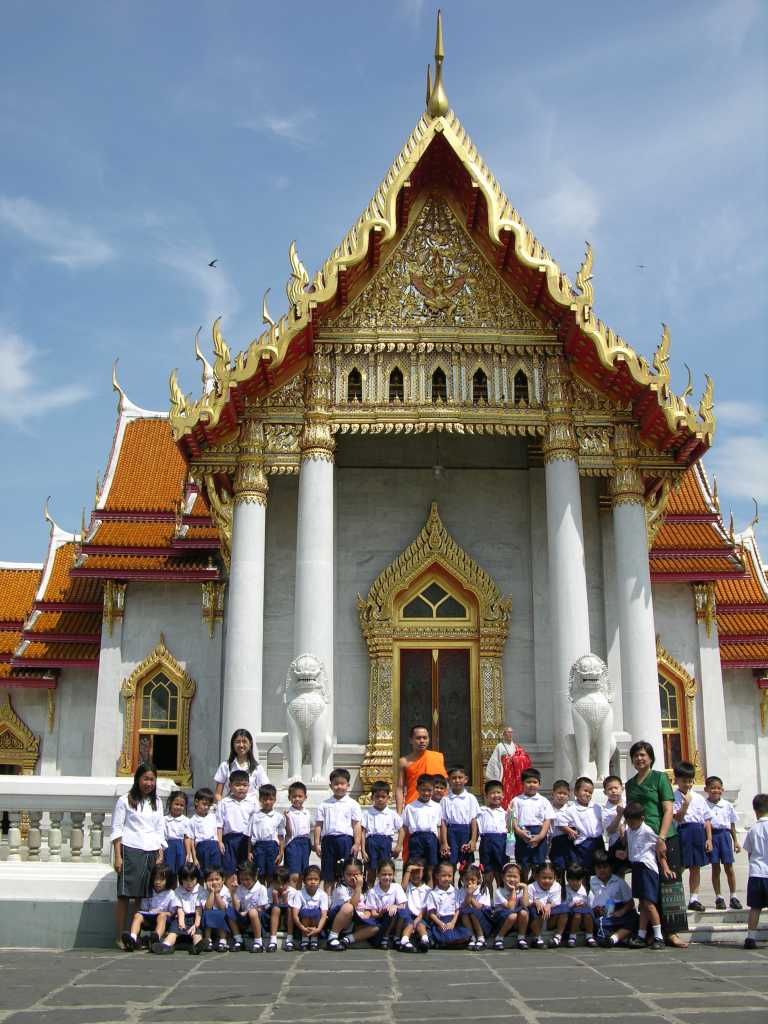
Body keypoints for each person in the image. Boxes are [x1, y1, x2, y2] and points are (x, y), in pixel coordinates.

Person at [624, 740, 687, 947]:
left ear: (650, 757)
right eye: (636, 755)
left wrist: (661, 837)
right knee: (647, 889)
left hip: (664, 836)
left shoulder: (660, 778)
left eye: (643, 755)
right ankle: (650, 932)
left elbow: (668, 809)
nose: (639, 758)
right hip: (642, 841)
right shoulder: (630, 784)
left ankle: (672, 931)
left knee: (670, 884)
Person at [112, 762, 166, 948]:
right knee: (125, 895)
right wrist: (118, 856)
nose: (148, 783)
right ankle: (120, 936)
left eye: (152, 779)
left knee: (141, 897)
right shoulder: (125, 800)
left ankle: (134, 936)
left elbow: (160, 829)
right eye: (145, 779)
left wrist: (160, 851)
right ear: (138, 779)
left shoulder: (157, 801)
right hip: (130, 849)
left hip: (151, 850)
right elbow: (117, 830)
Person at [624, 801, 673, 950]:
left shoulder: (647, 831)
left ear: (642, 818)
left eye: (634, 821)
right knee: (643, 904)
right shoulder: (629, 830)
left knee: (649, 904)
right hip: (636, 867)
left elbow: (660, 849)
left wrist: (665, 866)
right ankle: (641, 934)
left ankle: (658, 936)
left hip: (647, 868)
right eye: (629, 821)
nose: (631, 824)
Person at [313, 768, 363, 894]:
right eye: (336, 784)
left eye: (342, 784)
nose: (339, 787)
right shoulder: (324, 804)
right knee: (328, 874)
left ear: (348, 785)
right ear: (331, 785)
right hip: (328, 841)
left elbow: (356, 825)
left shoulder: (353, 804)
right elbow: (318, 825)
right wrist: (317, 843)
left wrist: (357, 843)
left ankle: (345, 899)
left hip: (346, 840)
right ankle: (328, 903)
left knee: (346, 872)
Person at [673, 761, 713, 911]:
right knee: (680, 865)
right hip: (683, 831)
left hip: (698, 832)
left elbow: (707, 819)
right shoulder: (673, 796)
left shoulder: (699, 797)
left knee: (695, 866)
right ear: (676, 780)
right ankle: (674, 896)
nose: (687, 784)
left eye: (690, 781)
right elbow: (677, 817)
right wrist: (685, 805)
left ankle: (694, 898)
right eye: (684, 781)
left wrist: (709, 838)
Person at [705, 775, 742, 910]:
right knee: (715, 868)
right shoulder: (704, 805)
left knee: (729, 867)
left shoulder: (727, 805)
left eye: (718, 788)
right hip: (712, 836)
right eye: (712, 788)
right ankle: (718, 897)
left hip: (725, 836)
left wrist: (736, 841)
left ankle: (733, 896)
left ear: (722, 790)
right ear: (706, 789)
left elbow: (731, 824)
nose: (715, 791)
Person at [511, 768, 555, 881]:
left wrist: (541, 836)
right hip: (522, 834)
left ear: (539, 784)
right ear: (522, 783)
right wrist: (519, 832)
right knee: (523, 864)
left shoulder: (544, 801)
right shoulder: (517, 800)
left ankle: (535, 888)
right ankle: (524, 886)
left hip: (539, 834)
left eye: (535, 782)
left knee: (538, 865)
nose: (531, 785)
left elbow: (547, 820)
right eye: (528, 782)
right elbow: (513, 819)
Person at [151, 863, 203, 955]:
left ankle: (197, 946)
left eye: (192, 880)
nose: (189, 883)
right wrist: (181, 922)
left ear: (197, 879)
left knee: (197, 933)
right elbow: (180, 908)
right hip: (180, 917)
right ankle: (165, 945)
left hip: (195, 917)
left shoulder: (200, 890)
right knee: (173, 931)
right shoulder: (178, 891)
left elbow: (199, 909)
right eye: (186, 880)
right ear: (181, 880)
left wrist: (196, 925)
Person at [122, 863, 176, 951]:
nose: (157, 882)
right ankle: (133, 939)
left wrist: (163, 913)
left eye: (161, 879)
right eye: (156, 879)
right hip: (149, 917)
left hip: (164, 921)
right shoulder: (149, 891)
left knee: (162, 916)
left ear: (168, 880)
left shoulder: (171, 894)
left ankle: (156, 938)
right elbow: (144, 909)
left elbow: (173, 912)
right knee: (138, 915)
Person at [589, 850, 637, 947]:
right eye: (599, 868)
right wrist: (596, 910)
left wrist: (621, 911)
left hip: (619, 912)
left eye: (605, 867)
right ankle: (620, 939)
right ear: (594, 868)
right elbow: (588, 903)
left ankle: (613, 939)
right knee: (598, 925)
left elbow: (630, 902)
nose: (602, 870)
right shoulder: (591, 882)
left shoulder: (619, 882)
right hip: (602, 915)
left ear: (611, 867)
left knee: (635, 919)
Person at [361, 780, 404, 886]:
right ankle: (369, 891)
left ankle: (387, 891)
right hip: (371, 842)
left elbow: (402, 829)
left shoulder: (391, 814)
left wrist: (398, 846)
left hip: (385, 842)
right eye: (377, 796)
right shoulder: (367, 813)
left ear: (388, 798)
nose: (380, 799)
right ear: (372, 798)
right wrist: (362, 849)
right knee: (371, 869)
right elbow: (362, 832)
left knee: (385, 869)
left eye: (383, 797)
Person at [356, 859, 407, 948]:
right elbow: (373, 914)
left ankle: (397, 937)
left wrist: (394, 906)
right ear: (378, 874)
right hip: (381, 921)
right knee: (389, 912)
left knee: (402, 910)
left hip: (396, 920)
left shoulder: (397, 887)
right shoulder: (373, 892)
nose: (387, 877)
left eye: (390, 874)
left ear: (394, 874)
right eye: (384, 874)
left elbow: (403, 904)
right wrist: (382, 911)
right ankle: (385, 937)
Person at [396, 726, 447, 813]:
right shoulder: (404, 762)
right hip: (414, 806)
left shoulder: (438, 757)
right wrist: (399, 813)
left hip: (436, 806)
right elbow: (400, 788)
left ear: (429, 739)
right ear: (411, 740)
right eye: (418, 738)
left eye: (425, 738)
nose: (422, 741)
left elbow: (444, 783)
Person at [439, 766, 480, 871]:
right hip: (451, 832)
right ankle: (450, 885)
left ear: (466, 779)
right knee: (450, 862)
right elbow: (443, 822)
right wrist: (444, 842)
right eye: (454, 778)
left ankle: (465, 885)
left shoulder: (471, 798)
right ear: (448, 780)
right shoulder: (445, 799)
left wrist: (473, 840)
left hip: (466, 832)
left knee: (466, 863)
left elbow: (474, 820)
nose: (457, 780)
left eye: (460, 777)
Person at [402, 774, 442, 882]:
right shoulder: (410, 807)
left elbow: (438, 827)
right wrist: (398, 844)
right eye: (423, 790)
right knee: (416, 865)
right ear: (417, 789)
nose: (426, 793)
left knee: (431, 866)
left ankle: (430, 890)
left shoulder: (437, 807)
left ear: (433, 790)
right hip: (416, 838)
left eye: (429, 790)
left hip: (431, 838)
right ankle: (415, 890)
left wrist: (442, 843)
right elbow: (404, 827)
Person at [215, 769, 255, 876]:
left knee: (245, 871)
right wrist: (219, 841)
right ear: (230, 786)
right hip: (229, 840)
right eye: (237, 785)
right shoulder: (224, 803)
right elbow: (219, 824)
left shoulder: (253, 803)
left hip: (246, 840)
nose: (241, 788)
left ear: (249, 786)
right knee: (229, 870)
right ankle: (230, 892)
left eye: (244, 785)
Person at [213, 728, 269, 802]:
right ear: (233, 744)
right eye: (238, 742)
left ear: (250, 743)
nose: (241, 745)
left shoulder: (257, 768)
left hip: (251, 808)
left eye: (244, 742)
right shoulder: (225, 766)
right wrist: (224, 807)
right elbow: (218, 794)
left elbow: (266, 790)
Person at [425, 861, 472, 948]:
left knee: (467, 934)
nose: (447, 878)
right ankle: (446, 942)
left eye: (449, 876)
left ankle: (450, 943)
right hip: (440, 921)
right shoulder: (433, 894)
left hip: (453, 920)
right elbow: (431, 913)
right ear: (437, 876)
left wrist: (453, 922)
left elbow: (457, 909)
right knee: (446, 935)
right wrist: (440, 923)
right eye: (443, 875)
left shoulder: (455, 892)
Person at [743, 793, 768, 949]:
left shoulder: (753, 830)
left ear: (755, 810)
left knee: (755, 907)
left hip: (756, 872)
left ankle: (751, 937)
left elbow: (750, 852)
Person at [485, 726, 532, 809]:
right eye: (508, 732)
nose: (510, 734)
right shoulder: (500, 746)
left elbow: (525, 758)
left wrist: (516, 759)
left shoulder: (516, 747)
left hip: (515, 778)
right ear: (503, 734)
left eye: (511, 732)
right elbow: (495, 762)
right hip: (505, 777)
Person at [549, 864, 596, 948]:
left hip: (584, 919)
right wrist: (573, 905)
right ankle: (572, 937)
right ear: (568, 879)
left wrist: (584, 905)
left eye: (578, 880)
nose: (575, 883)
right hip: (569, 918)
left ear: (582, 879)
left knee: (586, 912)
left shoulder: (587, 891)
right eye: (572, 880)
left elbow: (592, 906)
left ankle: (589, 936)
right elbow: (562, 904)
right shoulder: (564, 891)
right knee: (576, 913)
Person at [567, 777, 603, 880]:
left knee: (599, 869)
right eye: (585, 791)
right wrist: (569, 830)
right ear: (576, 792)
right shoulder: (571, 809)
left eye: (590, 792)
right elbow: (562, 823)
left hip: (598, 842)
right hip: (583, 844)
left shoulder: (596, 807)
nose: (588, 794)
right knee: (584, 870)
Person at [248, 783, 285, 884]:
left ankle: (269, 897)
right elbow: (250, 835)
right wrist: (249, 852)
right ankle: (261, 896)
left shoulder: (279, 817)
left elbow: (281, 836)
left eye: (270, 799)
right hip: (259, 847)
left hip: (272, 847)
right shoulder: (255, 816)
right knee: (259, 874)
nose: (268, 802)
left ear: (274, 800)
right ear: (260, 800)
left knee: (271, 874)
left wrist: (281, 852)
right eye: (265, 799)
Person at [326, 858, 366, 951]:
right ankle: (333, 936)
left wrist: (368, 914)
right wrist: (358, 887)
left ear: (362, 875)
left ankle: (348, 939)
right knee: (348, 907)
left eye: (356, 874)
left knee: (375, 927)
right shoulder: (341, 889)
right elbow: (353, 905)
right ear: (343, 875)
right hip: (339, 920)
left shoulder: (365, 888)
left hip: (355, 921)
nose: (352, 877)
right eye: (349, 874)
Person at [229, 861, 268, 952]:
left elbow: (262, 907)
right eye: (242, 879)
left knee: (253, 912)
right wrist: (233, 893)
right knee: (230, 911)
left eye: (247, 879)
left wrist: (247, 912)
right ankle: (238, 939)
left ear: (255, 877)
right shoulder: (240, 888)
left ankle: (258, 942)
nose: (244, 882)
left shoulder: (261, 888)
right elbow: (237, 907)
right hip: (244, 916)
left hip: (258, 916)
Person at [477, 780, 509, 889]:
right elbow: (476, 827)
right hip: (486, 842)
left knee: (501, 871)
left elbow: (510, 830)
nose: (496, 795)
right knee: (487, 872)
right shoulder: (481, 811)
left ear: (503, 795)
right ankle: (488, 900)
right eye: (492, 793)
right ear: (486, 796)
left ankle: (501, 898)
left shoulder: (506, 813)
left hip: (502, 843)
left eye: (498, 792)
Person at [491, 861, 530, 950]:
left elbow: (525, 905)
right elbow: (510, 907)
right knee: (512, 915)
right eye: (509, 876)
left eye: (515, 877)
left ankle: (521, 937)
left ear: (520, 878)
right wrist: (513, 890)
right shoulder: (499, 891)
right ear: (503, 877)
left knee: (524, 913)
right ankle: (499, 938)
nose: (512, 879)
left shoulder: (520, 890)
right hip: (502, 919)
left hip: (516, 920)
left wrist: (525, 888)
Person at [290, 865, 329, 951]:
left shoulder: (323, 895)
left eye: (316, 879)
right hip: (302, 925)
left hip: (317, 925)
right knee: (305, 912)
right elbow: (295, 914)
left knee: (316, 912)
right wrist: (302, 927)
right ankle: (305, 939)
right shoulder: (299, 894)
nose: (313, 882)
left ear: (319, 881)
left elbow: (324, 915)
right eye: (309, 879)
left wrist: (318, 929)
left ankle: (314, 939)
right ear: (304, 881)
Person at [526, 861, 563, 949]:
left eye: (550, 878)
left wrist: (549, 905)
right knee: (531, 910)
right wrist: (535, 902)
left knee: (564, 909)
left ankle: (558, 936)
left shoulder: (557, 886)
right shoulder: (531, 887)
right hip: (537, 919)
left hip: (550, 918)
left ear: (555, 878)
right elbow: (526, 903)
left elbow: (557, 901)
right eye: (544, 877)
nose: (547, 881)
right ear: (537, 877)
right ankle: (537, 937)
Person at [397, 859, 431, 953]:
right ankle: (404, 941)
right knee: (409, 925)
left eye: (418, 872)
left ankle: (425, 940)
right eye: (413, 872)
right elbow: (402, 888)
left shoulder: (427, 889)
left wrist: (418, 918)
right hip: (408, 915)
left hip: (421, 916)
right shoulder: (408, 887)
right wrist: (409, 869)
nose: (415, 875)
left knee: (421, 926)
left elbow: (425, 907)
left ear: (423, 873)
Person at [548, 780, 577, 884]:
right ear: (553, 793)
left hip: (570, 841)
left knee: (572, 869)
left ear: (569, 795)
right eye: (559, 793)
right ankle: (560, 893)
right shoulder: (548, 808)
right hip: (555, 842)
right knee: (558, 869)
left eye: (565, 794)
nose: (562, 796)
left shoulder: (571, 807)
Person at [284, 781, 311, 888]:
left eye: (300, 796)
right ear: (289, 798)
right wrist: (287, 819)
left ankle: (298, 897)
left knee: (302, 874)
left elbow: (310, 829)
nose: (297, 799)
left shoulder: (307, 812)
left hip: (305, 843)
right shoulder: (288, 813)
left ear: (305, 797)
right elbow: (289, 832)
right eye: (294, 796)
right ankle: (291, 897)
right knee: (293, 874)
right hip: (293, 843)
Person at [459, 864, 492, 950]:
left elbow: (479, 907)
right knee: (464, 913)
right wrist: (468, 894)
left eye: (473, 880)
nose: (469, 882)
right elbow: (462, 906)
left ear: (478, 880)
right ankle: (472, 937)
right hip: (467, 918)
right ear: (462, 879)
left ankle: (481, 938)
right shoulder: (462, 890)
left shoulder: (483, 889)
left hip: (483, 918)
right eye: (467, 880)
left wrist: (470, 895)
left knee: (473, 912)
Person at [264, 867, 296, 952]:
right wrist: (275, 897)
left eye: (284, 884)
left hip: (287, 916)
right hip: (273, 913)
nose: (281, 886)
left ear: (288, 883)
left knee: (290, 909)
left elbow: (292, 906)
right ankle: (273, 940)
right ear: (273, 882)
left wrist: (285, 897)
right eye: (278, 883)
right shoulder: (270, 890)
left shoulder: (292, 891)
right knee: (275, 908)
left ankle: (289, 939)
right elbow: (266, 906)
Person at [188, 787, 220, 873]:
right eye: (204, 804)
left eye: (209, 805)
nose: (206, 807)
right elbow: (191, 840)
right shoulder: (192, 820)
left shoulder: (213, 816)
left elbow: (219, 830)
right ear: (196, 802)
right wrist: (194, 858)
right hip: (201, 848)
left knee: (215, 871)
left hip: (214, 846)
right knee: (202, 872)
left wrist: (220, 843)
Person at [200, 866, 232, 952]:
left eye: (217, 879)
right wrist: (212, 893)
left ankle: (222, 940)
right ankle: (208, 940)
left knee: (222, 914)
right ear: (206, 881)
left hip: (222, 917)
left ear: (223, 880)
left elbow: (223, 908)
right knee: (207, 913)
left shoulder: (226, 891)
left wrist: (217, 894)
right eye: (210, 880)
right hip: (209, 917)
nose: (214, 882)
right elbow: (208, 907)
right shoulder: (204, 892)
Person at [602, 775, 627, 873]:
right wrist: (619, 815)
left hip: (631, 840)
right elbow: (609, 830)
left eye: (616, 788)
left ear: (622, 788)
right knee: (618, 872)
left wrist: (624, 825)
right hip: (616, 843)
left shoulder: (628, 802)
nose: (613, 791)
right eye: (610, 789)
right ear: (605, 792)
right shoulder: (605, 809)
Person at [163, 790, 190, 876]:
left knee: (181, 870)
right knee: (169, 871)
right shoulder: (164, 819)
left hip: (180, 848)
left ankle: (179, 889)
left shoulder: (186, 820)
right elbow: (162, 837)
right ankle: (170, 888)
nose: (178, 807)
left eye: (182, 805)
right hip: (168, 847)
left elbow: (187, 837)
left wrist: (188, 853)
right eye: (176, 804)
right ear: (170, 803)